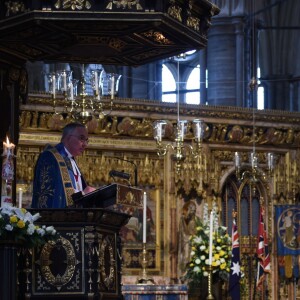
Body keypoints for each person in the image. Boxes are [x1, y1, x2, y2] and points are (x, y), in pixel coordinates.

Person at [31, 122, 96, 208]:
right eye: (81, 138)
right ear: (68, 138)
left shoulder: (71, 160)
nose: (85, 144)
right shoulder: (50, 157)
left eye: (86, 140)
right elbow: (54, 194)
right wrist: (84, 194)